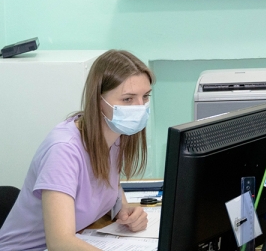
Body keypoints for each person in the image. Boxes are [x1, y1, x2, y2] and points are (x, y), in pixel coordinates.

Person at [0, 50, 155, 250]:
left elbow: (108, 185)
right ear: (98, 100)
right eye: (128, 99)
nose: (140, 107)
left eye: (145, 96)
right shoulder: (63, 150)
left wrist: (124, 208)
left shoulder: (115, 134)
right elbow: (60, 242)